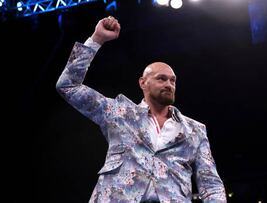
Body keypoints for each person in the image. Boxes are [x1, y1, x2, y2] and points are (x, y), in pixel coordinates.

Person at [56, 16, 226, 203]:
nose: (169, 84)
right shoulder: (118, 112)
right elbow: (68, 86)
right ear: (143, 83)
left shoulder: (195, 130)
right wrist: (97, 39)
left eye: (173, 80)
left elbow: (210, 184)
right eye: (161, 78)